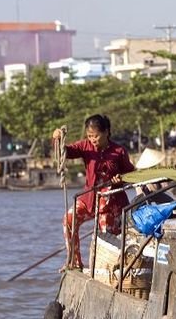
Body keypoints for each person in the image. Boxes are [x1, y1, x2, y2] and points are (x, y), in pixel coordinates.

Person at [52, 114, 135, 269]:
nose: (93, 140)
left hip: (112, 203)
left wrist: (120, 178)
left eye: (96, 136)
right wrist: (57, 139)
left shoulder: (119, 151)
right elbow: (67, 152)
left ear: (106, 132)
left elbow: (130, 174)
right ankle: (74, 262)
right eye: (90, 136)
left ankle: (106, 268)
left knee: (105, 236)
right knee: (68, 220)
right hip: (89, 198)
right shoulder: (85, 146)